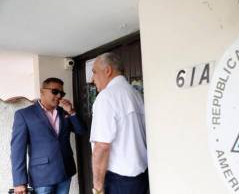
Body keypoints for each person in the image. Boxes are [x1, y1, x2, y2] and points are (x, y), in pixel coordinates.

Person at [10, 77, 86, 194]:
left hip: (65, 171)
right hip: (42, 176)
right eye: (55, 91)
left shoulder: (64, 112)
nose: (59, 96)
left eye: (61, 93)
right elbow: (17, 150)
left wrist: (71, 112)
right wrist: (19, 182)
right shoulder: (24, 115)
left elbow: (81, 131)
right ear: (42, 91)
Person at [90, 52, 148, 194]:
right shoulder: (136, 94)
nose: (92, 79)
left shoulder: (106, 97)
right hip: (141, 176)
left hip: (119, 181)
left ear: (108, 70)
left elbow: (102, 146)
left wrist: (97, 188)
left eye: (94, 72)